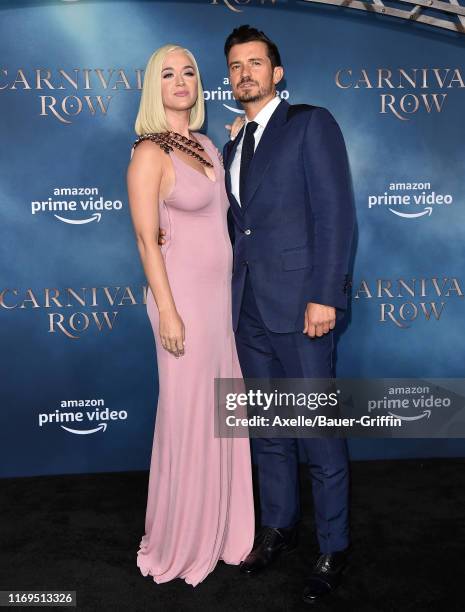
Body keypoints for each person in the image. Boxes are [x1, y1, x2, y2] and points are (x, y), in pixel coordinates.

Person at [222, 25, 355, 604]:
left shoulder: (311, 123)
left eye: (255, 63)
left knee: (318, 436)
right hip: (249, 308)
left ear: (277, 73)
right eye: (235, 65)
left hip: (303, 307)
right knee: (269, 433)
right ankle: (279, 527)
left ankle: (334, 547)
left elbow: (337, 215)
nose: (244, 72)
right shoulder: (232, 145)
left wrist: (326, 294)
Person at [126, 44, 254, 587]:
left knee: (222, 410)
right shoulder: (148, 153)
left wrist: (231, 144)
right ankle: (183, 537)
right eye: (169, 74)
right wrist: (170, 314)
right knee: (188, 415)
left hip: (219, 299)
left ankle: (226, 529)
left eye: (190, 72)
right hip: (181, 304)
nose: (181, 81)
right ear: (154, 87)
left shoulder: (206, 144)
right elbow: (145, 241)